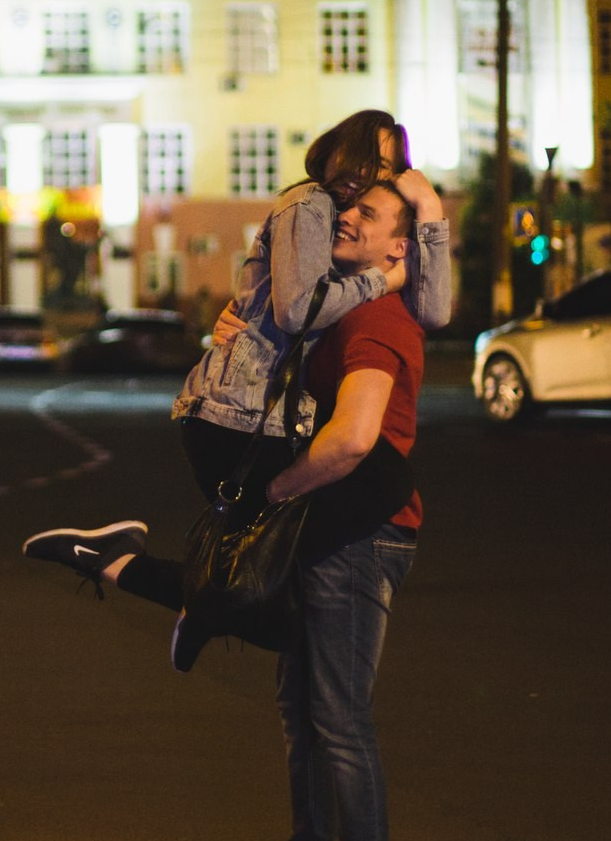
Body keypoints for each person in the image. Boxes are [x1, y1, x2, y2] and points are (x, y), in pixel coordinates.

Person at [27, 181, 430, 841]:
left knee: (338, 719)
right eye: (345, 209)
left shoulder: (376, 318)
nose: (347, 218)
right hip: (327, 525)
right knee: (301, 714)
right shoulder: (336, 308)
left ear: (398, 249)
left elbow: (350, 438)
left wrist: (270, 491)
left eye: (368, 215)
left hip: (360, 535)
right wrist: (238, 329)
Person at [23, 109, 448, 601]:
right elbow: (294, 311)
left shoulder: (341, 227)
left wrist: (431, 209)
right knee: (381, 485)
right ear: (332, 147)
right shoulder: (309, 203)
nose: (366, 171)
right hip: (239, 415)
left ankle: (124, 567)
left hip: (257, 413)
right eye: (361, 152)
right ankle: (141, 574)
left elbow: (432, 311)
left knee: (271, 595)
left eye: (384, 166)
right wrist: (385, 278)